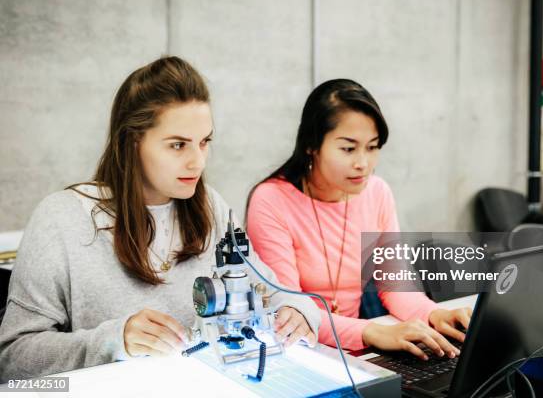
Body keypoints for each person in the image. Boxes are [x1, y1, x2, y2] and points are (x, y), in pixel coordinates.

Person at [0, 56, 319, 382]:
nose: (197, 162)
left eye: (204, 142)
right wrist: (112, 340)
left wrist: (298, 312)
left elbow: (272, 290)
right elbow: (11, 359)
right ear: (132, 142)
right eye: (178, 145)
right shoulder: (61, 220)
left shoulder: (212, 206)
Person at [246, 79, 471, 359]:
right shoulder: (271, 200)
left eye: (373, 147)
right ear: (311, 145)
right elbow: (288, 309)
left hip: (356, 351)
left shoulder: (377, 192)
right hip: (297, 351)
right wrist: (371, 332)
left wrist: (436, 314)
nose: (363, 163)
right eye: (348, 149)